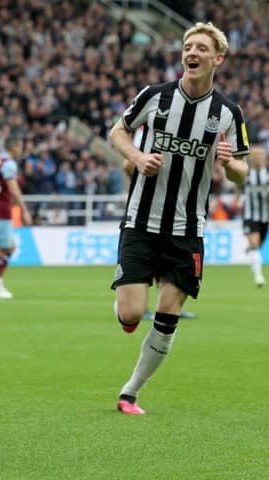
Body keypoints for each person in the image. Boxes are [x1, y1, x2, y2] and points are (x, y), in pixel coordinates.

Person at [108, 22, 249, 415]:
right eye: (189, 45)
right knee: (132, 313)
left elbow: (242, 172)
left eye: (202, 47)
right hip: (140, 221)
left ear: (217, 58)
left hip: (188, 230)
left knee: (168, 315)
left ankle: (130, 392)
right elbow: (117, 132)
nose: (193, 51)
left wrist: (230, 166)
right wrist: (136, 158)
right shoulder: (154, 97)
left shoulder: (227, 113)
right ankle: (127, 311)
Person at [122, 159, 197, 320]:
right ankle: (141, 307)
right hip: (146, 217)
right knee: (147, 267)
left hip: (174, 216)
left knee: (165, 269)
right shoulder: (146, 137)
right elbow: (128, 164)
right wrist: (140, 174)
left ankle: (167, 308)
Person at [0, 135, 32, 298]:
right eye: (20, 146)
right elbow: (14, 189)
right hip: (2, 209)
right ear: (14, 146)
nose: (21, 150)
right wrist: (24, 210)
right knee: (7, 248)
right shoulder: (8, 164)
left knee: (3, 248)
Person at [240, 144, 269, 287]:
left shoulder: (267, 173)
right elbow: (236, 184)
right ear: (250, 157)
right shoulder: (245, 172)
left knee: (258, 244)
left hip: (265, 217)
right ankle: (259, 277)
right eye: (254, 155)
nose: (257, 158)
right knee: (255, 244)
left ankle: (250, 249)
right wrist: (238, 198)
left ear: (265, 157)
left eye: (260, 155)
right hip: (249, 215)